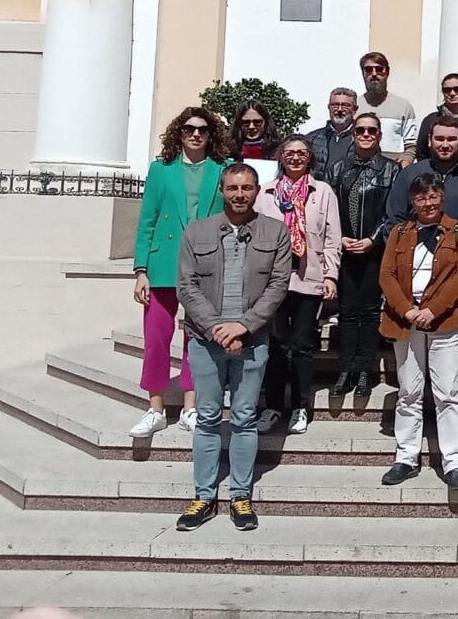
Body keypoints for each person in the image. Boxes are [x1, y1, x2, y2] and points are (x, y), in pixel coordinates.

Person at [174, 164, 292, 531]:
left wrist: (243, 326)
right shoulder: (197, 232)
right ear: (222, 190)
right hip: (205, 341)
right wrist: (216, 328)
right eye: (232, 188)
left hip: (253, 340)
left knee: (243, 419)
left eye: (246, 188)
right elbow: (186, 286)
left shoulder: (276, 232)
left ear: (258, 191)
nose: (239, 194)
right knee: (208, 419)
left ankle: (240, 495)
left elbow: (278, 285)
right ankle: (204, 496)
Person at [129, 107, 231, 438]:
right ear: (180, 132)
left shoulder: (223, 169)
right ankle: (155, 408)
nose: (196, 134)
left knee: (197, 339)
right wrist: (140, 270)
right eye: (189, 129)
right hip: (162, 265)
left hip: (205, 264)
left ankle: (191, 406)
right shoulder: (161, 170)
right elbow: (147, 221)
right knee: (156, 338)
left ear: (211, 134)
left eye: (203, 129)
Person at [378, 173, 458, 490]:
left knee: (448, 394)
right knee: (409, 392)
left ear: (442, 198)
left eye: (433, 196)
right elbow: (387, 275)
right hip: (405, 321)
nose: (428, 203)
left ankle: (453, 461)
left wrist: (433, 310)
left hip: (443, 321)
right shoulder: (399, 232)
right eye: (421, 198)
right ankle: (406, 457)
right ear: (412, 201)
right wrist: (407, 309)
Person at [256, 136, 341, 436]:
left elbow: (332, 238)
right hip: (272, 280)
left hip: (309, 277)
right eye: (289, 153)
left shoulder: (323, 192)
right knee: (276, 345)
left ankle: (300, 406)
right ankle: (273, 405)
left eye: (301, 153)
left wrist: (331, 276)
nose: (295, 158)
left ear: (310, 158)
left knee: (303, 345)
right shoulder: (265, 192)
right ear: (280, 157)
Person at [325, 112, 400, 398]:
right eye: (360, 131)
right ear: (353, 135)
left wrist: (373, 239)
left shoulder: (391, 171)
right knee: (346, 312)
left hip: (374, 252)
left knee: (369, 312)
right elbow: (329, 209)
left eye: (371, 130)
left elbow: (393, 212)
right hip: (344, 251)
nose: (366, 135)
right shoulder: (337, 169)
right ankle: (345, 369)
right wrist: (338, 237)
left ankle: (366, 370)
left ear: (379, 135)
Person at [384, 120, 458, 277]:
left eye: (451, 139)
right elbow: (394, 218)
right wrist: (399, 256)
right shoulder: (409, 175)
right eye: (439, 138)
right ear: (429, 141)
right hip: (413, 265)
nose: (445, 144)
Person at [355, 51, 417, 165]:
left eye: (379, 69)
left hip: (393, 173)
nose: (374, 74)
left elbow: (411, 147)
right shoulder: (355, 106)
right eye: (368, 70)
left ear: (387, 72)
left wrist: (401, 170)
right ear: (363, 73)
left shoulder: (403, 106)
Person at [306, 87, 357, 177]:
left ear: (354, 109)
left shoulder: (364, 140)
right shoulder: (312, 139)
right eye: (335, 105)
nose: (340, 109)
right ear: (329, 107)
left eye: (345, 105)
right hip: (320, 190)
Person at [229, 99, 281, 164]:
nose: (251, 127)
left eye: (257, 122)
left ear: (266, 122)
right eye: (246, 122)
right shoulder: (228, 150)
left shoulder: (279, 151)